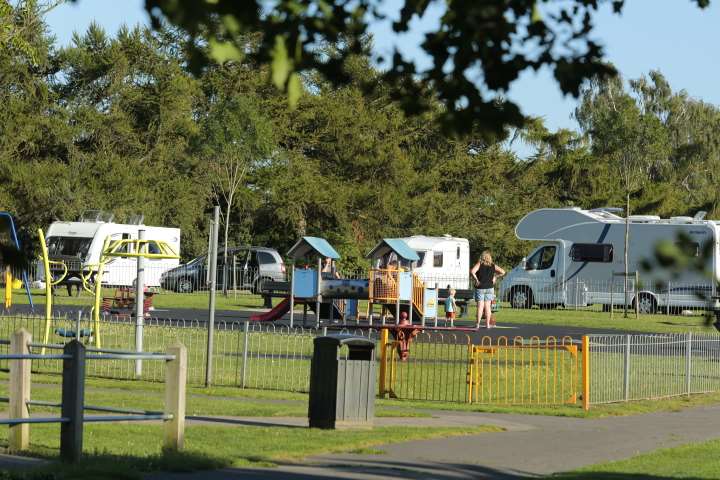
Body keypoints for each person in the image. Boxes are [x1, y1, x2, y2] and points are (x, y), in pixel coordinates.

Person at [470, 250, 505, 328]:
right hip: (490, 287)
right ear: (490, 258)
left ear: (482, 257)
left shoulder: (480, 264)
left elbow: (472, 271)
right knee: (488, 307)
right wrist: (495, 277)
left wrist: (476, 280)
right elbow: (503, 272)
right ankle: (487, 324)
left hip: (480, 287)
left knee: (480, 307)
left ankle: (477, 324)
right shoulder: (493, 265)